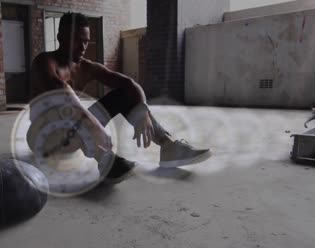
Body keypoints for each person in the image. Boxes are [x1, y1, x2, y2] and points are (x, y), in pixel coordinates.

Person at [27, 12, 211, 183]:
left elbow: (130, 84)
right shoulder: (44, 63)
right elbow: (62, 94)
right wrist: (96, 126)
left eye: (86, 41)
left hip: (75, 129)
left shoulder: (87, 67)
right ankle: (105, 160)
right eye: (76, 40)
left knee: (124, 95)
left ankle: (168, 147)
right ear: (60, 37)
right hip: (44, 137)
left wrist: (143, 110)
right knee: (69, 112)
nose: (83, 47)